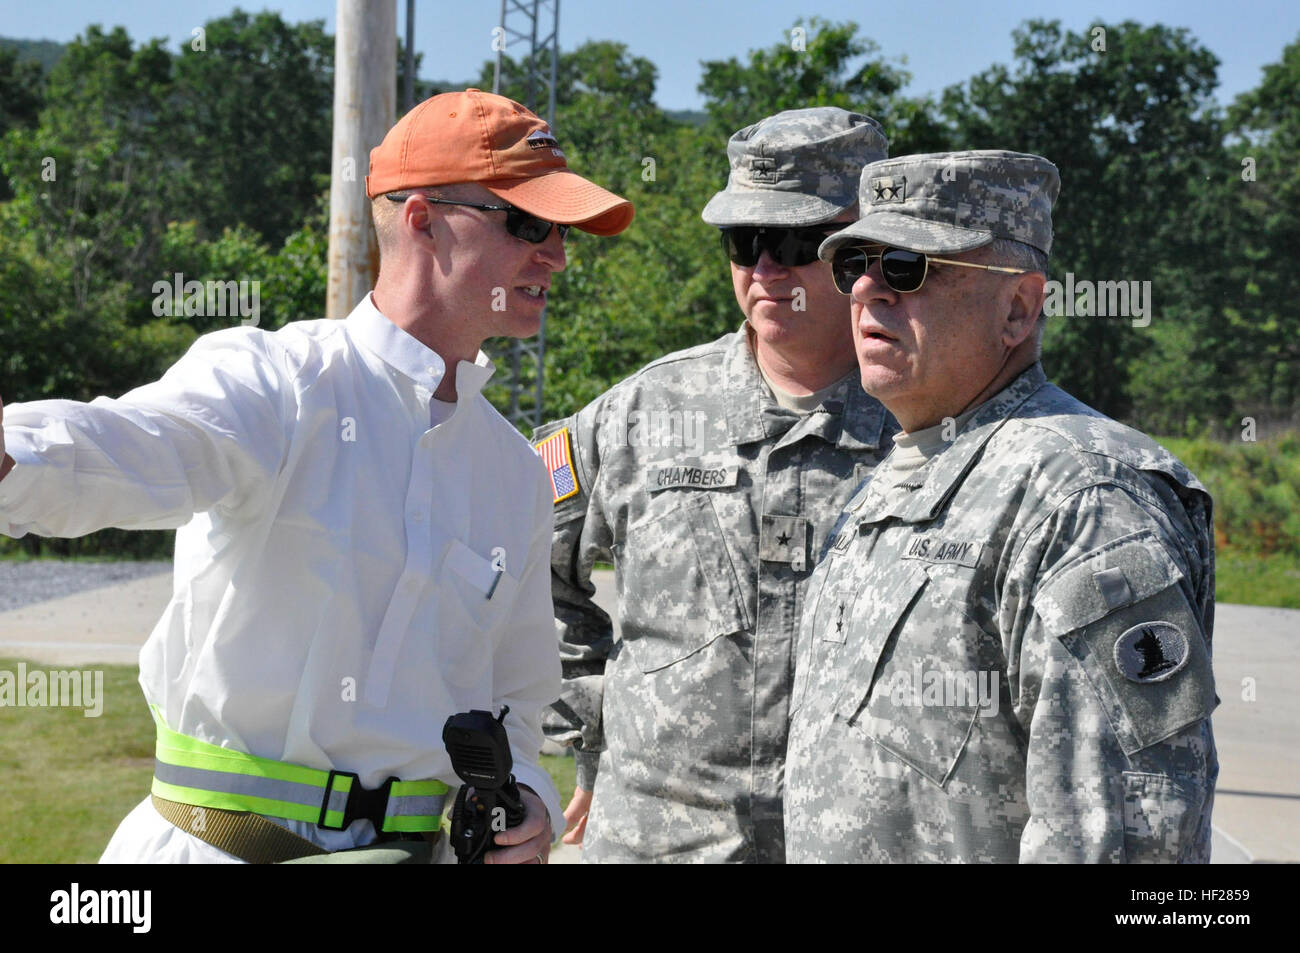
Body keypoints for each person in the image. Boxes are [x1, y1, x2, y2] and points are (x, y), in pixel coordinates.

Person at [0, 88, 633, 863]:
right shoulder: (277, 382)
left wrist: (527, 789)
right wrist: (13, 450)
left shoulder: (515, 474)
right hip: (217, 847)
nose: (558, 256)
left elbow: (520, 696)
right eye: (530, 224)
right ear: (424, 219)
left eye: (561, 230)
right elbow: (127, 446)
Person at [784, 150, 1218, 863]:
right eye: (854, 264)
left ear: (1017, 307)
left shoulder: (1084, 497)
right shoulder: (898, 471)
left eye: (907, 267)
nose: (866, 291)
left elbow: (1126, 834)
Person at [534, 107, 896, 862]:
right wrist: (595, 721)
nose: (765, 271)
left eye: (794, 243)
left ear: (862, 247)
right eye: (743, 242)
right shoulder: (640, 412)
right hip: (661, 843)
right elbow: (519, 557)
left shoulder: (926, 426)